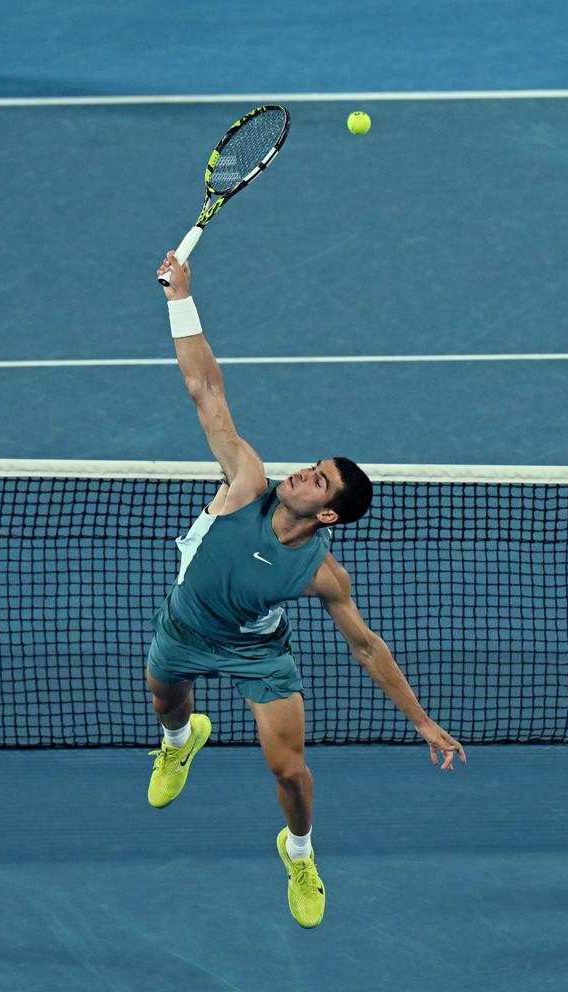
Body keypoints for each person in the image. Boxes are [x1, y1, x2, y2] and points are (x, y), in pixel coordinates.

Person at [146, 249, 466, 929]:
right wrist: (181, 298)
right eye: (311, 467)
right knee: (166, 700)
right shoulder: (245, 483)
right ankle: (181, 742)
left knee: (289, 771)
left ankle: (299, 851)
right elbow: (206, 390)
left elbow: (367, 648)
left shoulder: (323, 573)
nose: (300, 473)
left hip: (258, 654)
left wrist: (421, 720)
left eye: (317, 480)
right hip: (184, 626)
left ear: (327, 516)